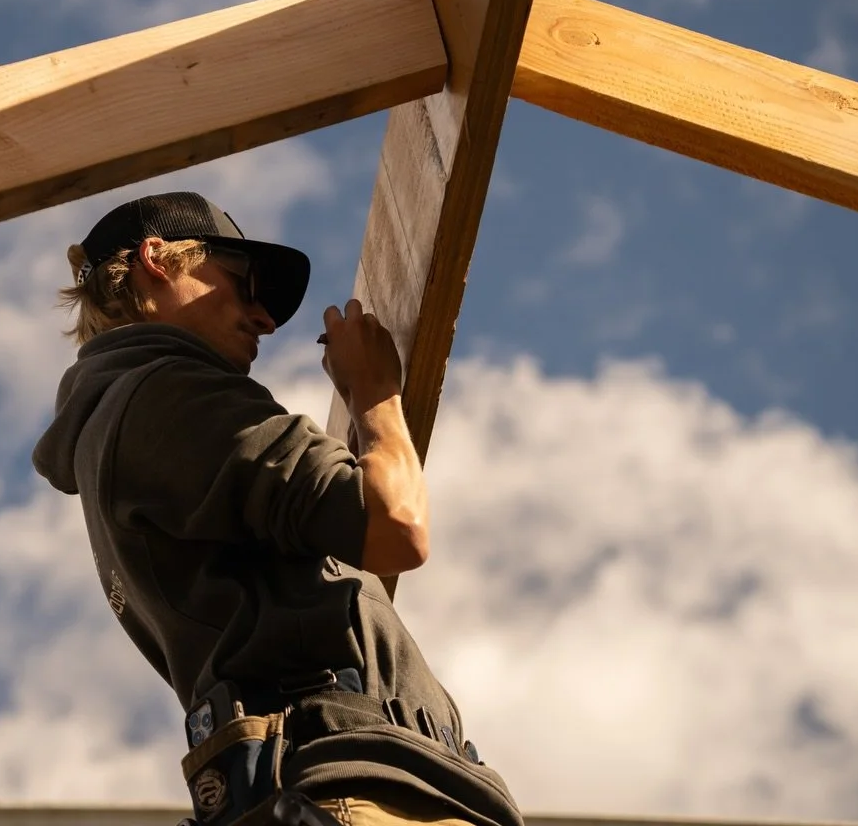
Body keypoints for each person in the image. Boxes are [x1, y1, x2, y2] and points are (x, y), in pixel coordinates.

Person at [32, 191, 523, 826]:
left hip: (371, 784)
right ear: (158, 260)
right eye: (244, 284)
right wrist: (376, 397)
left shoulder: (132, 421)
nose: (264, 318)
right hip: (361, 789)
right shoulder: (167, 395)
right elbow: (396, 526)